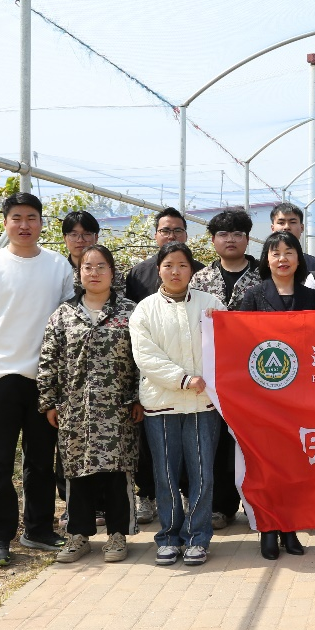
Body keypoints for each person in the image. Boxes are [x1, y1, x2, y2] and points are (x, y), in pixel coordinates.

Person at [0, 192, 74, 566]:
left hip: (44, 377)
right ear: (5, 223)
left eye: (31, 218)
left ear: (41, 223)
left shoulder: (58, 266)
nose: (24, 225)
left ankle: (38, 529)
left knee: (41, 460)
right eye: (17, 218)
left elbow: (67, 320)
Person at [38, 245, 141, 564]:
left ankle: (118, 535)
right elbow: (49, 359)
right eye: (87, 267)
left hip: (118, 409)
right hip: (75, 409)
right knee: (77, 471)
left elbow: (142, 359)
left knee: (117, 472)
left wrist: (139, 397)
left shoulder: (130, 312)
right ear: (78, 273)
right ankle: (78, 535)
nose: (94, 273)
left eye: (100, 267)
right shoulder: (63, 314)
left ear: (112, 272)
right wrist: (49, 401)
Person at [128, 242, 225, 567]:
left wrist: (205, 381)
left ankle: (197, 538)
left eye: (182, 265)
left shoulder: (211, 304)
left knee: (202, 474)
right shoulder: (145, 310)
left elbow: (227, 343)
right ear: (159, 269)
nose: (175, 271)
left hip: (202, 404)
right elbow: (146, 357)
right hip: (162, 405)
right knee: (165, 475)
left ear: (191, 269)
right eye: (168, 265)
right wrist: (183, 379)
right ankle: (169, 537)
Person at [236, 231, 315, 560]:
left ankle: (290, 528)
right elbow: (239, 341)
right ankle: (268, 529)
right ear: (266, 259)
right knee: (265, 467)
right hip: (263, 397)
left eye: (289, 252)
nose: (282, 258)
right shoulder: (254, 296)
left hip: (300, 398)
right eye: (275, 253)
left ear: (299, 259)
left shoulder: (311, 298)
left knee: (294, 467)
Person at [123, 207, 205, 526]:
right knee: (158, 459)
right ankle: (157, 512)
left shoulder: (205, 288)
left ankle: (193, 521)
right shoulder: (138, 280)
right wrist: (177, 378)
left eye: (177, 230)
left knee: (198, 462)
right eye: (165, 230)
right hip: (158, 389)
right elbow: (142, 346)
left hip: (199, 391)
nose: (175, 271)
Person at [189, 208, 258, 531]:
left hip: (253, 374)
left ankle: (257, 501)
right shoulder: (200, 279)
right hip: (212, 374)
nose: (230, 240)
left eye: (237, 234)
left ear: (248, 239)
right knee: (216, 442)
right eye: (223, 234)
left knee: (251, 440)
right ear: (213, 240)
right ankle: (220, 506)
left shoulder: (262, 276)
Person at [62, 210, 124, 296]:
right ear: (65, 238)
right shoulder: (59, 272)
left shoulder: (112, 274)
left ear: (96, 237)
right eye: (73, 235)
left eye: (86, 234)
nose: (80, 240)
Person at [270, 202, 315, 271]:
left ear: (302, 228)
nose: (287, 227)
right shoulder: (261, 266)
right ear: (272, 228)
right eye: (281, 223)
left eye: (292, 222)